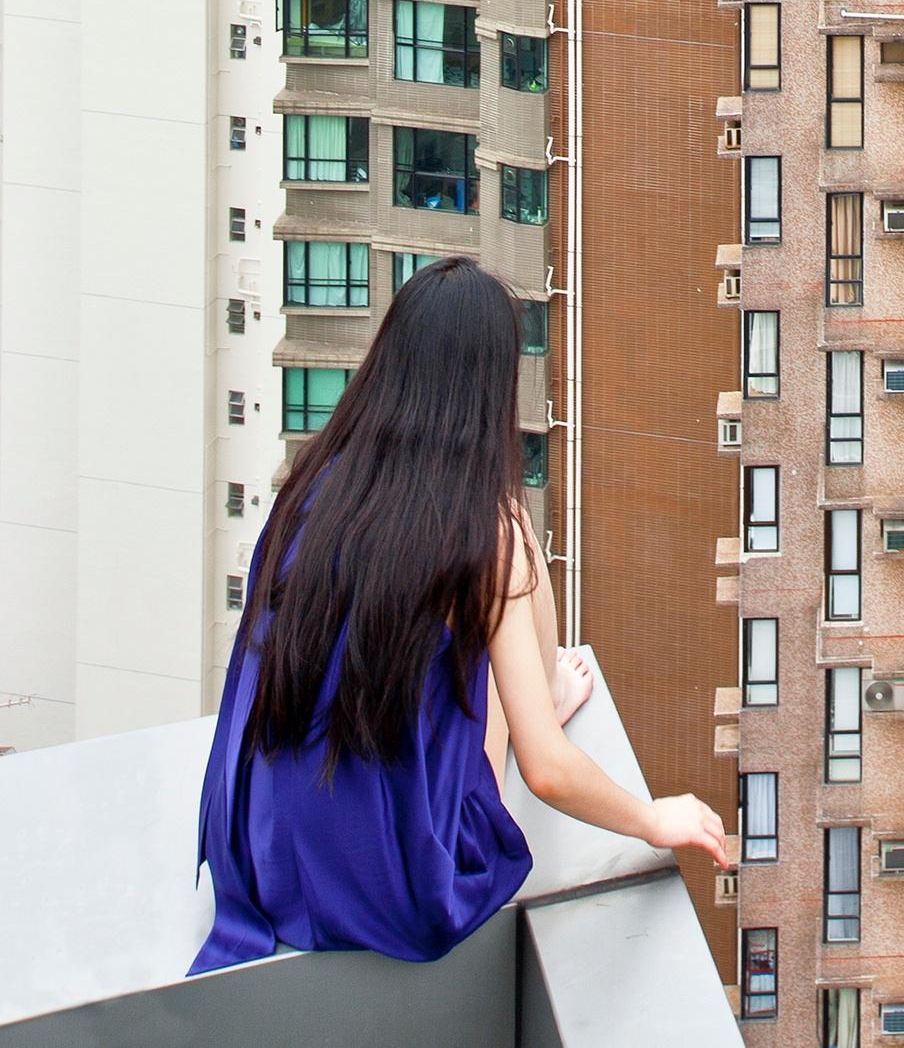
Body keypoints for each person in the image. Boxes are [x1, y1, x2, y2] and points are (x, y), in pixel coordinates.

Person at [189, 257, 725, 973]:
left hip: (259, 854)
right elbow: (548, 775)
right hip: (382, 888)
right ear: (489, 389)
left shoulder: (319, 479)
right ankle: (548, 691)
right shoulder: (485, 534)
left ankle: (543, 690)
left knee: (482, 598)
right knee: (507, 576)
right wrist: (655, 818)